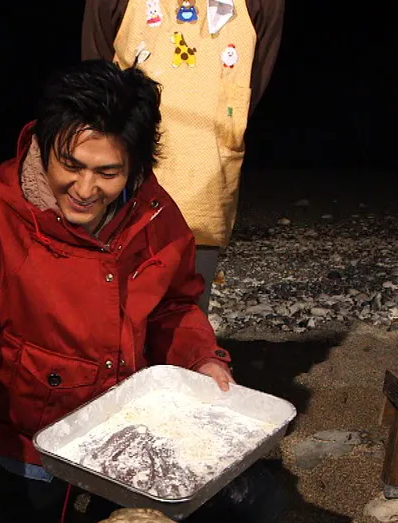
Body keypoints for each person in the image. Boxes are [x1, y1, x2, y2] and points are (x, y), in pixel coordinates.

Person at [0, 60, 286, 523]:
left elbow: (175, 306)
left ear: (136, 164)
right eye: (71, 165)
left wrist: (202, 359)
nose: (85, 188)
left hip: (127, 444)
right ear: (43, 145)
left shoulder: (155, 215)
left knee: (260, 503)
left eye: (107, 172)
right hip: (23, 447)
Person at [82, 0, 285, 311]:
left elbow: (250, 84)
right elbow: (96, 83)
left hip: (205, 172)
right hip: (128, 176)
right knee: (118, 312)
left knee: (186, 316)